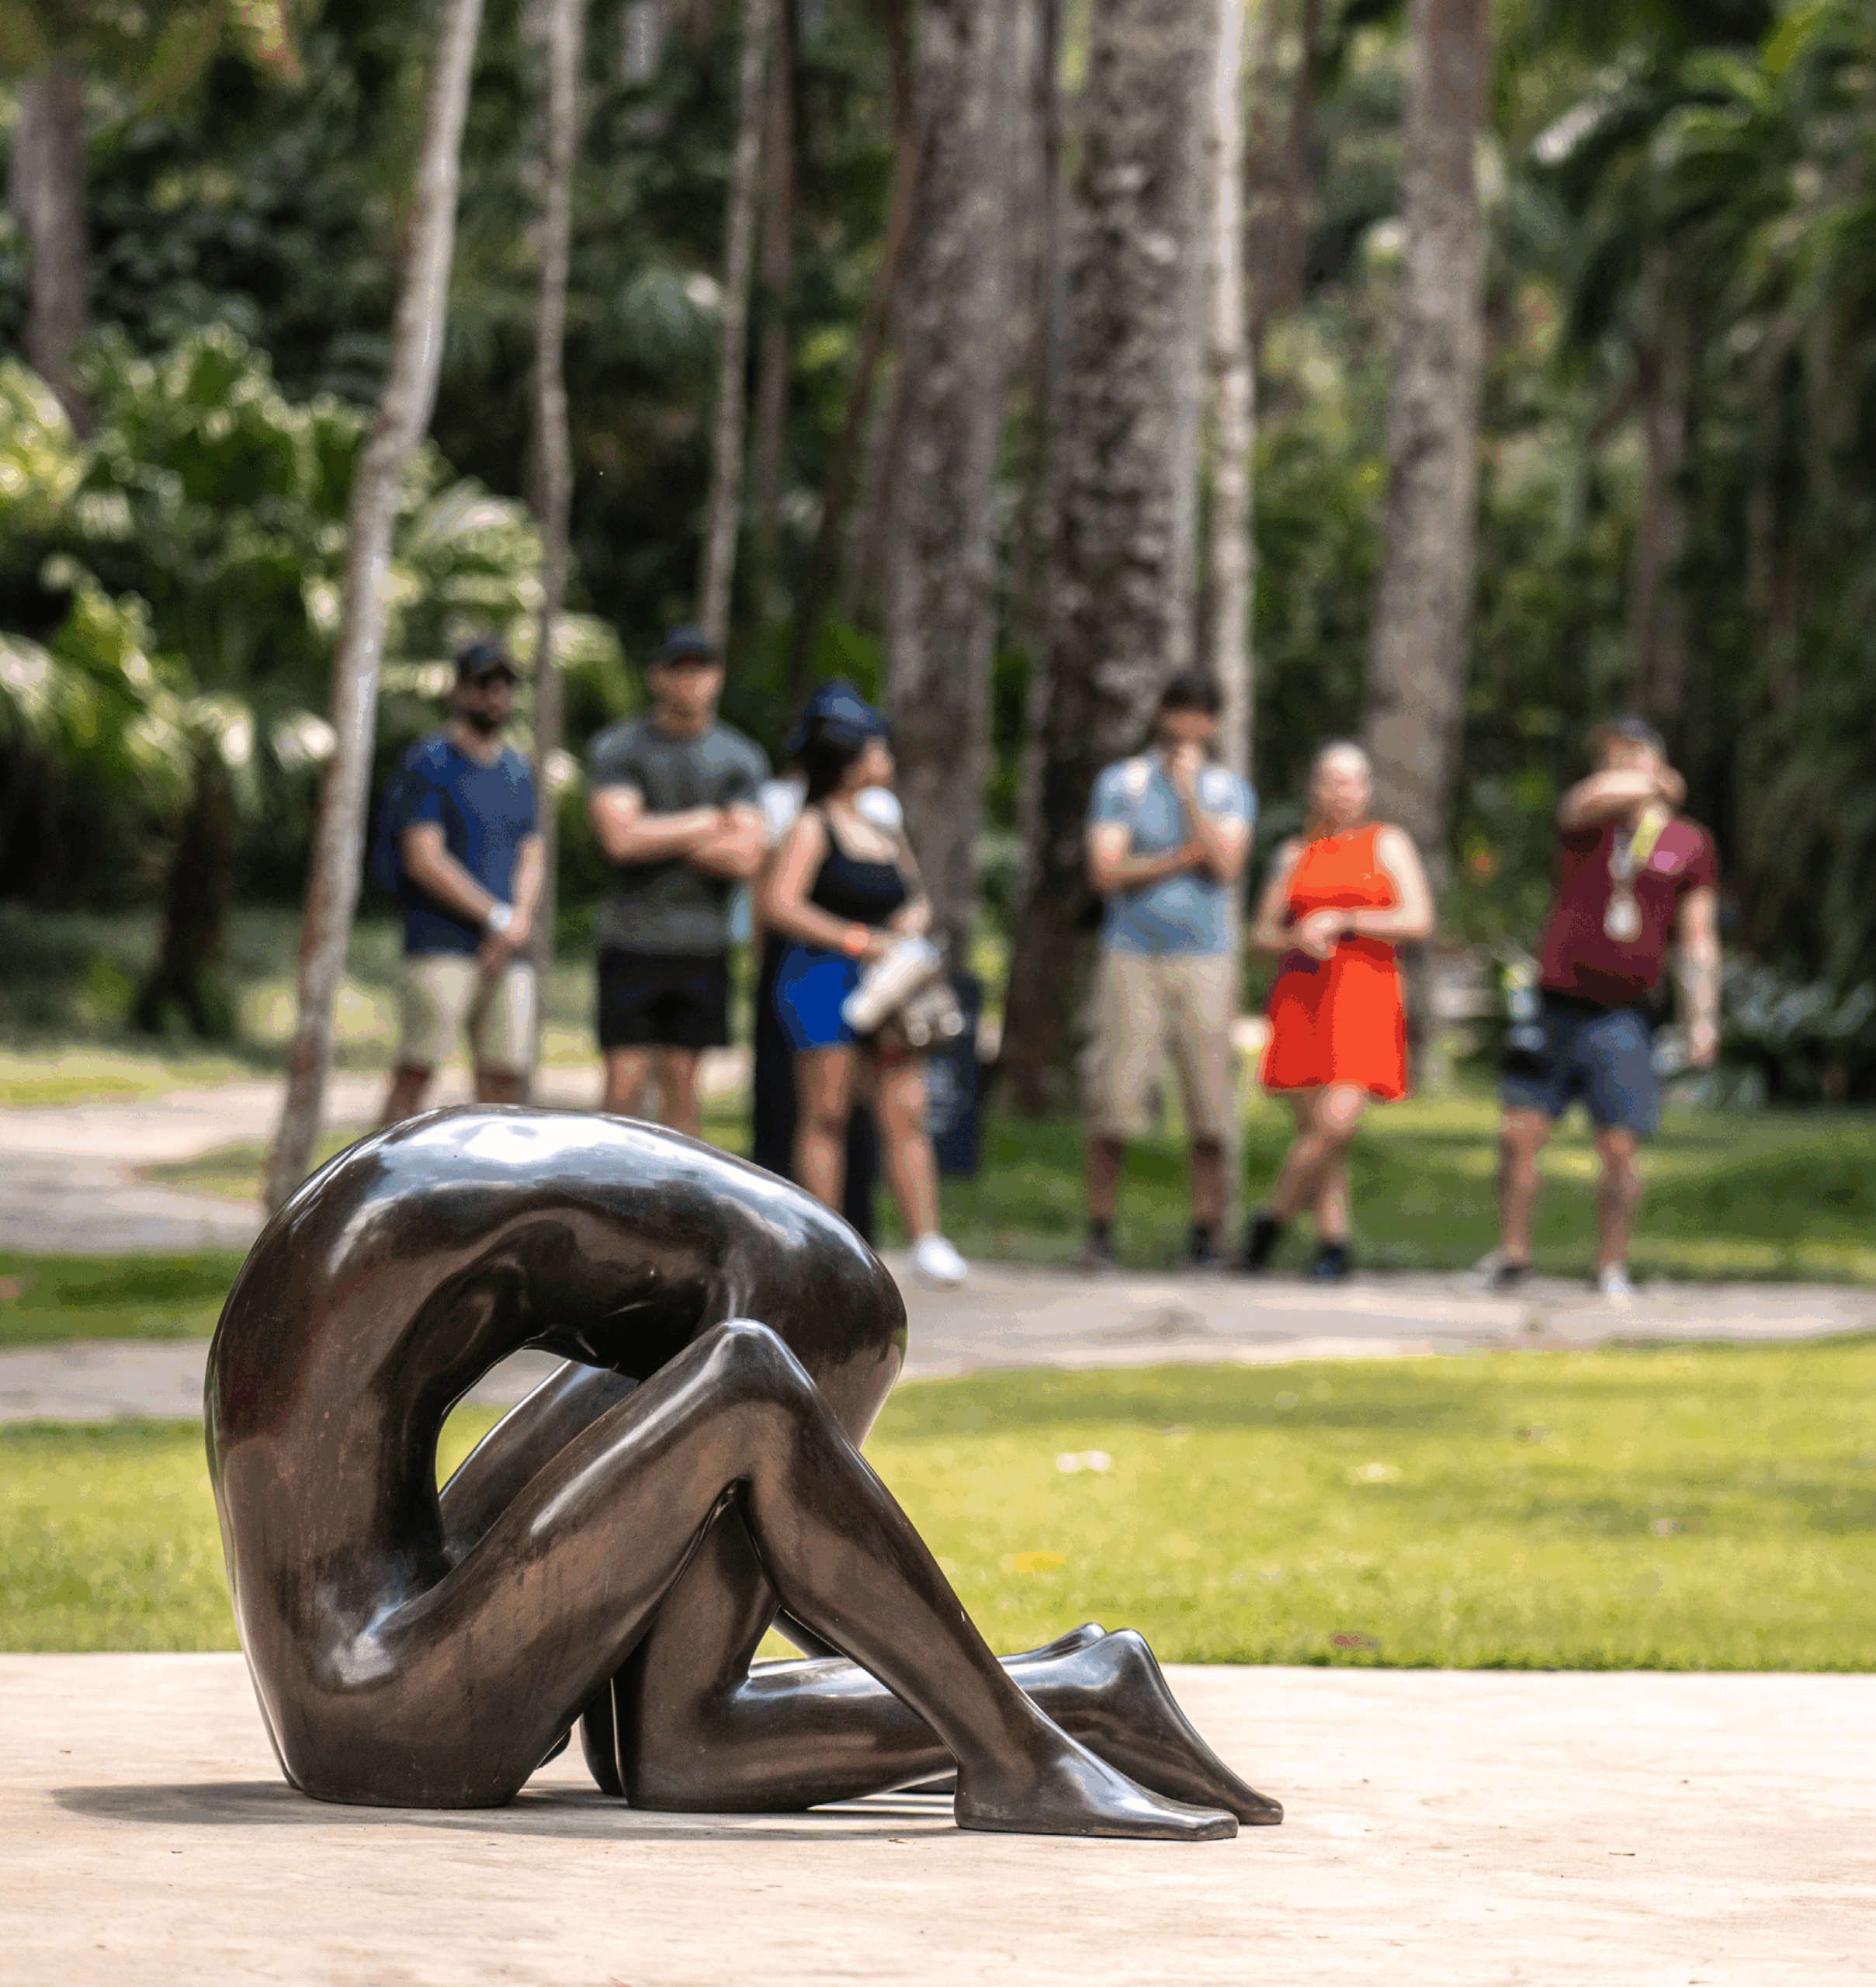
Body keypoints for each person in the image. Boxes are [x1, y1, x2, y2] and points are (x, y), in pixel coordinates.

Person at [210, 1106, 1280, 1836]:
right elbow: (783, 1503)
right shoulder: (782, 1284)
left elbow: (792, 1537)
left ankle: (1067, 1702)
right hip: (378, 1717)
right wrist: (960, 1689)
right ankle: (1027, 1748)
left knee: (663, 1731)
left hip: (375, 1630)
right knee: (748, 1393)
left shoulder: (464, 1205)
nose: (834, 1434)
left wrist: (917, 1650)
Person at [1479, 715, 1721, 1302]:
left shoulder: (1688, 844)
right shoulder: (1588, 826)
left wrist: (1703, 1018)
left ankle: (1610, 1264)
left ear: (1656, 757)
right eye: (1609, 757)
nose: (1618, 768)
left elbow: (1698, 938)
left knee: (1619, 1147)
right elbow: (1585, 798)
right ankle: (1512, 1254)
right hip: (1556, 1004)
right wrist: (1653, 780)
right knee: (1519, 1133)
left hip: (1625, 1014)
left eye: (1630, 754)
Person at [758, 682, 967, 1288]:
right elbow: (779, 903)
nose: (886, 759)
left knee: (907, 1109)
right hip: (820, 981)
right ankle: (828, 1246)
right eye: (876, 750)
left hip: (888, 987)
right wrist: (854, 939)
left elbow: (915, 895)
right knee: (826, 1111)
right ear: (850, 762)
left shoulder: (884, 823)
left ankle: (927, 1240)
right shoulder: (812, 824)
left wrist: (908, 925)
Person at [1080, 670, 1256, 1271]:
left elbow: (1227, 865)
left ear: (1214, 723)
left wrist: (1188, 796)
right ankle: (1099, 1232)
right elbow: (1106, 871)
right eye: (1179, 709)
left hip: (1207, 956)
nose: (1188, 723)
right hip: (1131, 952)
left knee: (1210, 1102)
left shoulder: (1228, 789)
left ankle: (1206, 1234)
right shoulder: (1122, 783)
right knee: (1115, 1096)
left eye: (1201, 712)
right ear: (1161, 715)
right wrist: (1184, 856)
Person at [1237, 741, 1434, 1278]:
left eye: (1353, 781)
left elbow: (1417, 919)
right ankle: (1333, 1246)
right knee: (1318, 1137)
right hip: (1304, 996)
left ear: (1367, 790)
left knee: (1336, 1126)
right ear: (1315, 788)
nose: (1343, 792)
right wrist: (1297, 935)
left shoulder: (1388, 844)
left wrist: (1345, 918)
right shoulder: (1293, 854)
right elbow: (1261, 933)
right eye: (1332, 780)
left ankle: (1268, 1223)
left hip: (1366, 995)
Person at [587, 625, 769, 1137]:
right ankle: (606, 1182)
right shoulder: (619, 747)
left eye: (700, 670)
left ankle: (676, 1190)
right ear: (656, 677)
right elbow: (620, 841)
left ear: (718, 677)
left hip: (702, 946)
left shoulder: (741, 756)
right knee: (622, 1092)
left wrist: (653, 831)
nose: (690, 681)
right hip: (631, 940)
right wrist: (709, 821)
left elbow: (745, 857)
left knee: (684, 1096)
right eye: (678, 669)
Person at [376, 640, 543, 1128]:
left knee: (505, 1080)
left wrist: (517, 923)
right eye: (483, 684)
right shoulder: (429, 762)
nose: (495, 696)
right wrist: (497, 916)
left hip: (507, 949)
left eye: (504, 685)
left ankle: (497, 1173)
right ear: (459, 691)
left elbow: (532, 852)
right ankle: (381, 1171)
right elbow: (424, 857)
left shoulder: (518, 769)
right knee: (417, 1071)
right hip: (441, 943)